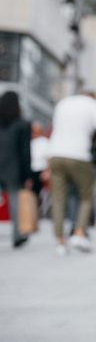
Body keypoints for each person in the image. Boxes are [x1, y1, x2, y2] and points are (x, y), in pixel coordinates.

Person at [47, 90, 96, 255]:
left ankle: (60, 242)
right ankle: (79, 233)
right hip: (79, 155)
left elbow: (54, 128)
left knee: (58, 198)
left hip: (55, 153)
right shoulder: (93, 104)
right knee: (86, 196)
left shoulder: (63, 103)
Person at [0, 91, 33, 248]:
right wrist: (28, 174)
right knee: (14, 201)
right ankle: (17, 235)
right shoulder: (22, 124)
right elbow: (25, 151)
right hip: (13, 168)